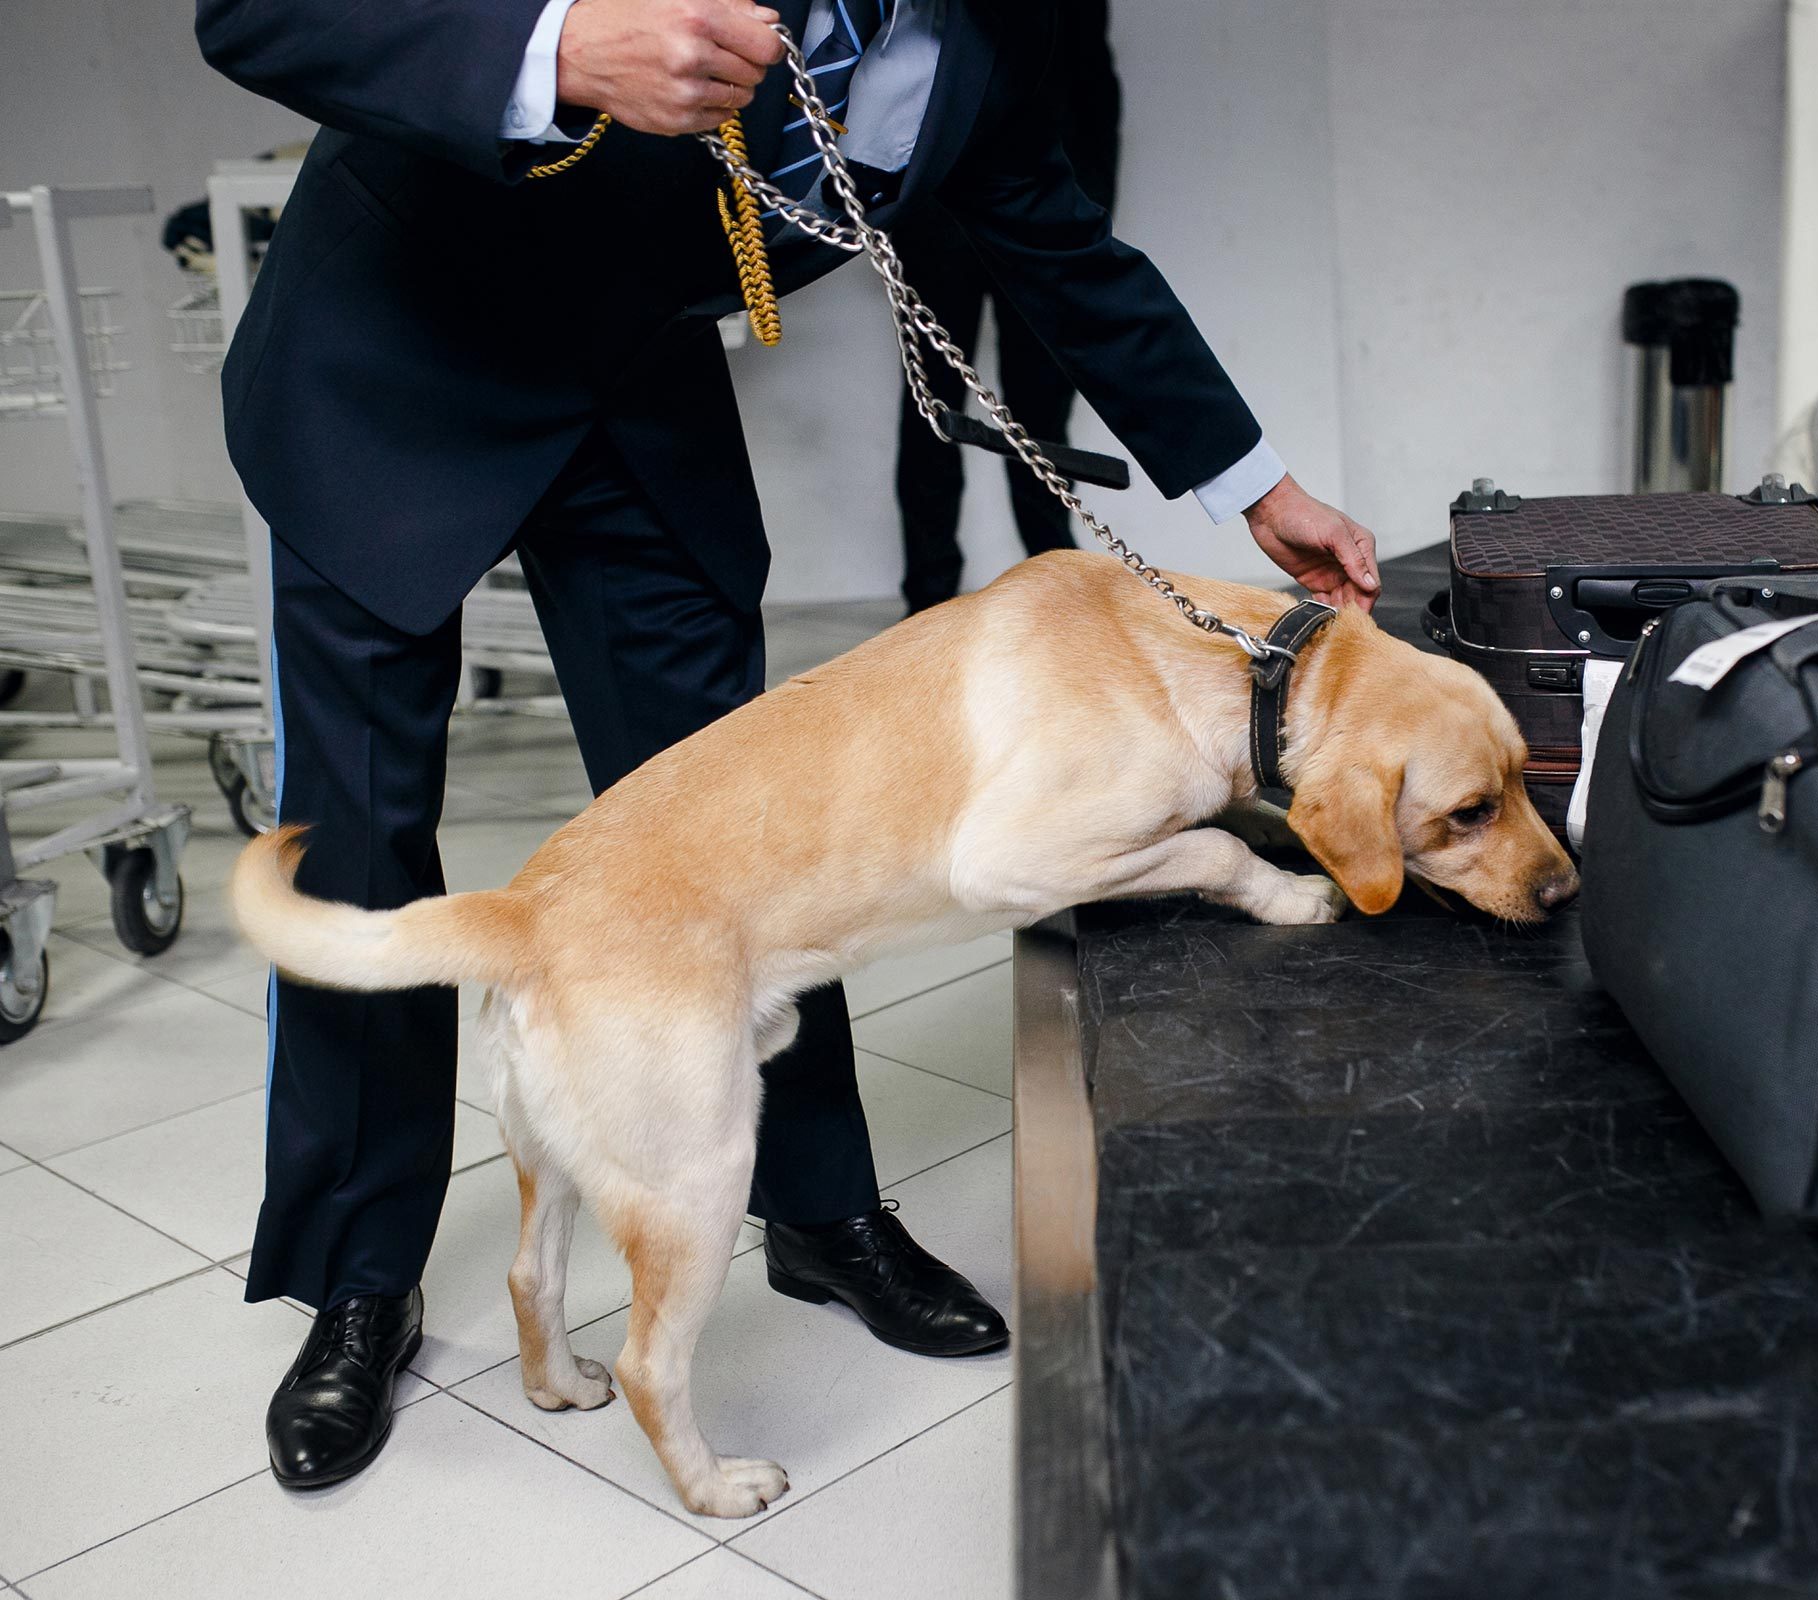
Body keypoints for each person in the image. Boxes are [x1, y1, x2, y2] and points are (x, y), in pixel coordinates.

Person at [195, 0, 1382, 1495]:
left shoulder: (981, 50)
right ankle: (357, 1277)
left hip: (633, 389)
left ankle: (819, 1214)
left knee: (769, 829)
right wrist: (552, 53)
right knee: (362, 845)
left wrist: (1255, 486)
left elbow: (1071, 256)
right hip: (389, 360)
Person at [888, 0, 1119, 613]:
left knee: (1041, 410)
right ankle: (928, 599)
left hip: (1043, 220)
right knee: (930, 404)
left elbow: (1092, 82)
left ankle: (1058, 587)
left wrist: (1086, 217)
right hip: (935, 214)